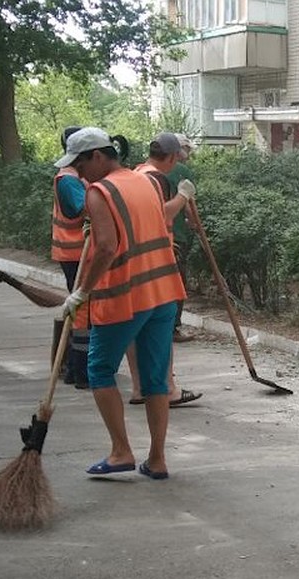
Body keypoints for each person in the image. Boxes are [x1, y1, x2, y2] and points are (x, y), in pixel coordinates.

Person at [56, 127, 186, 479]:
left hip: (125, 296)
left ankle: (120, 452)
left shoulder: (100, 192)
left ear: (97, 156)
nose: (78, 173)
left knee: (99, 370)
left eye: (80, 165)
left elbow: (107, 248)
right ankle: (157, 460)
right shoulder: (145, 181)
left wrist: (81, 291)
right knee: (155, 378)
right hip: (163, 292)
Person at [126, 132, 202, 408]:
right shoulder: (156, 178)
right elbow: (162, 213)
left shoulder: (137, 172)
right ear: (171, 157)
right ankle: (168, 388)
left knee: (136, 325)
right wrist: (183, 196)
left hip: (137, 260)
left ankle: (139, 388)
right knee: (163, 324)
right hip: (157, 259)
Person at [50, 125, 93, 388]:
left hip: (75, 251)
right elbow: (82, 209)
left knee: (81, 311)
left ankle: (73, 370)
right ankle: (80, 371)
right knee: (83, 312)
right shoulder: (68, 179)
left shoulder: (73, 177)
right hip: (77, 252)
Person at [167, 133, 197, 343]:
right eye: (187, 149)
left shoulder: (146, 170)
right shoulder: (182, 171)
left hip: (154, 236)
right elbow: (187, 204)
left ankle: (162, 327)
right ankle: (173, 328)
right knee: (178, 282)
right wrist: (195, 223)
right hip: (176, 236)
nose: (189, 154)